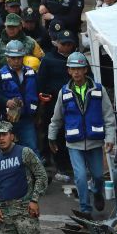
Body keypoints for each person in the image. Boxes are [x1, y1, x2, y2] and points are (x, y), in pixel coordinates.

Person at [48, 52, 116, 214]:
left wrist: (110, 136)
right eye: (73, 69)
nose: (76, 72)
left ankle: (97, 192)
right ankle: (85, 209)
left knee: (98, 176)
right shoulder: (64, 92)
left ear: (85, 69)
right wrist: (51, 136)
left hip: (94, 141)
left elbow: (108, 115)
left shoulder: (99, 91)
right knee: (79, 177)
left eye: (79, 68)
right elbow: (57, 117)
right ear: (69, 71)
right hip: (74, 142)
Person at [0, 121, 52, 234]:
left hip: (25, 211)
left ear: (12, 136)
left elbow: (41, 175)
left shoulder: (24, 152)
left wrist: (34, 199)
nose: (1, 139)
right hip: (5, 214)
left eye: (4, 134)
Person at [0, 15, 44, 130]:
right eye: (9, 27)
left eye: (14, 27)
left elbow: (42, 60)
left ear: (20, 27)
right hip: (4, 86)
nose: (11, 29)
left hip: (27, 82)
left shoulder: (31, 42)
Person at [36, 29, 78, 178]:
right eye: (64, 44)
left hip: (74, 104)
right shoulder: (48, 60)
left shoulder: (77, 59)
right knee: (56, 134)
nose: (67, 47)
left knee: (72, 134)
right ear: (57, 44)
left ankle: (70, 164)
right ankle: (59, 165)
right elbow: (40, 83)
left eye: (69, 44)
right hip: (54, 104)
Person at [0, 39, 41, 155]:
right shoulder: (0, 75)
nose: (16, 61)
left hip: (27, 119)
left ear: (23, 57)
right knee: (2, 149)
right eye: (13, 58)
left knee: (32, 148)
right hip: (6, 121)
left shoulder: (32, 73)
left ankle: (36, 173)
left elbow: (39, 92)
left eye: (19, 57)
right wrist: (6, 102)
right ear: (7, 58)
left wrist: (38, 114)